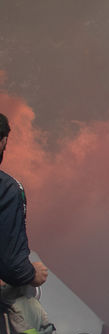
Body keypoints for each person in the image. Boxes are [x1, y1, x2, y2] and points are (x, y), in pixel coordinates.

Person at [0, 113, 49, 291]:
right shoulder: (7, 189)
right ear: (3, 142)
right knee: (28, 304)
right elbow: (12, 265)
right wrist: (32, 274)